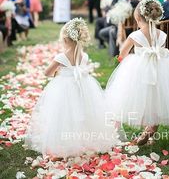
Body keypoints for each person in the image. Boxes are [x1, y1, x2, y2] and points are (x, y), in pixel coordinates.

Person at [106, 0, 169, 146]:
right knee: (158, 100)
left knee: (125, 97)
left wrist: (119, 61)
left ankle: (116, 130)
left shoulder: (134, 35)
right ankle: (149, 131)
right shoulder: (161, 35)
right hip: (161, 69)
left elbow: (122, 54)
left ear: (138, 18)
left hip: (139, 71)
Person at [25, 18, 117, 158]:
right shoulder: (83, 55)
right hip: (83, 87)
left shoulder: (62, 56)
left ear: (65, 39)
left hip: (64, 89)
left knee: (63, 115)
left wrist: (58, 72)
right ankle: (84, 139)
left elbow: (47, 73)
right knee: (83, 112)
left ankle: (65, 143)